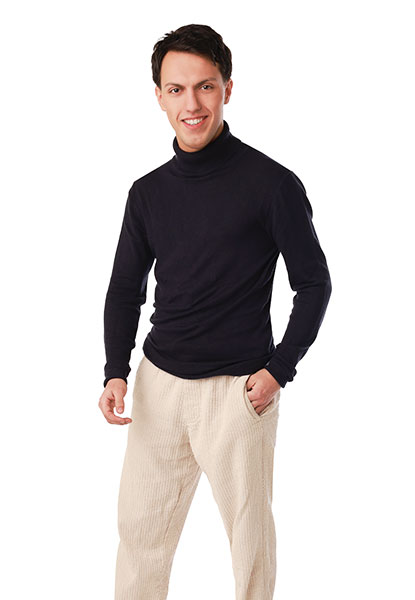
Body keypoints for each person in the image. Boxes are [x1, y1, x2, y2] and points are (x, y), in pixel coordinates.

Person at [98, 23, 332, 600]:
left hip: (238, 391)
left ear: (227, 88)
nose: (192, 104)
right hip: (159, 388)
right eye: (176, 89)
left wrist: (278, 371)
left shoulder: (272, 184)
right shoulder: (147, 193)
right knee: (140, 537)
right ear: (159, 97)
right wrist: (115, 370)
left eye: (205, 86)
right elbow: (125, 288)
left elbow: (314, 284)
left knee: (250, 544)